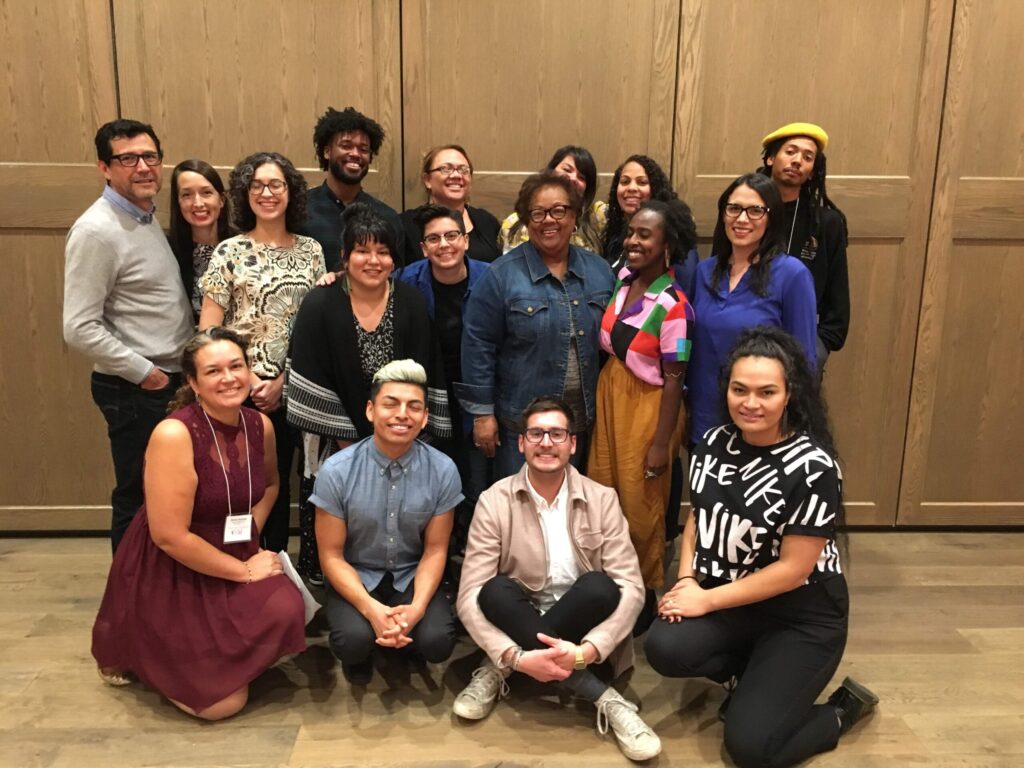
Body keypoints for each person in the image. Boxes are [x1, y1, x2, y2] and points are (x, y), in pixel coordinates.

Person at [645, 326, 878, 768]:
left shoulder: (813, 467)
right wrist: (687, 580)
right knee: (665, 646)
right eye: (740, 390)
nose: (750, 403)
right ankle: (754, 676)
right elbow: (698, 517)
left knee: (751, 749)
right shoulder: (714, 443)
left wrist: (705, 600)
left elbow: (793, 570)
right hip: (735, 600)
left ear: (789, 395)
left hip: (802, 615)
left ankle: (839, 712)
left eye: (766, 392)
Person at [92, 327, 306, 720]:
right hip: (174, 565)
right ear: (192, 382)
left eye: (236, 366)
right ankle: (149, 653)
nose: (229, 378)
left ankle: (215, 658)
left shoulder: (260, 425)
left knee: (287, 608)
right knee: (221, 706)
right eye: (213, 371)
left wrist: (250, 535)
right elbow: (169, 537)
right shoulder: (174, 434)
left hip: (232, 546)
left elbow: (272, 484)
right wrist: (243, 571)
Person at [454, 398, 659, 762]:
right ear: (521, 443)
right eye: (536, 433)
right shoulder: (494, 500)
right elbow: (469, 593)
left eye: (557, 434)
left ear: (572, 443)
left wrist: (585, 652)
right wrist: (517, 657)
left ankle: (498, 668)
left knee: (600, 587)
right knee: (494, 591)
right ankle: (605, 698)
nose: (546, 442)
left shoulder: (602, 499)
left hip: (583, 627)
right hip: (520, 617)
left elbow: (631, 587)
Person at [288, 203, 452, 584]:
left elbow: (424, 371)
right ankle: (335, 583)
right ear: (345, 256)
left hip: (399, 433)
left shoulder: (410, 302)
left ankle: (401, 579)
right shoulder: (320, 303)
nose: (373, 260)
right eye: (362, 250)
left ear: (394, 259)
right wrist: (353, 446)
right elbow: (309, 370)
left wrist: (394, 438)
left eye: (383, 251)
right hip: (335, 440)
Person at [63, 118, 193, 551]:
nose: (143, 167)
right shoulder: (97, 231)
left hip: (165, 381)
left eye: (150, 156)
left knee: (168, 492)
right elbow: (78, 327)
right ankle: (129, 588)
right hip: (136, 388)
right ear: (104, 167)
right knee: (137, 496)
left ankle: (158, 583)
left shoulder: (144, 215)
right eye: (128, 158)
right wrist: (147, 374)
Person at [199, 151, 325, 554]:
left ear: (291, 192)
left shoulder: (311, 251)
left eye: (276, 185)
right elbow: (209, 329)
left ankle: (285, 566)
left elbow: (317, 324)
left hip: (297, 385)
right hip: (240, 388)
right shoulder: (229, 251)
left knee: (292, 478)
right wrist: (253, 381)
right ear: (244, 193)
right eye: (257, 185)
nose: (267, 193)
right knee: (244, 482)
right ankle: (241, 563)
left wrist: (283, 381)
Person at [310, 360, 462, 684]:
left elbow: (436, 550)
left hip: (410, 575)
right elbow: (331, 556)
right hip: (356, 575)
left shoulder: (443, 470)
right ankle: (370, 642)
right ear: (370, 410)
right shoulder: (336, 471)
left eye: (414, 407)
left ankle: (404, 637)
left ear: (425, 417)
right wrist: (370, 609)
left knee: (437, 642)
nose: (402, 414)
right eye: (390, 404)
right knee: (352, 643)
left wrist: (418, 607)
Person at [459, 171, 615, 479]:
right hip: (521, 425)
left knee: (573, 502)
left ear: (575, 215)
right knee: (521, 502)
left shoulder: (600, 272)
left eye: (559, 210)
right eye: (538, 213)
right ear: (526, 219)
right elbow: (478, 345)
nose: (549, 220)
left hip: (582, 424)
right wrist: (482, 414)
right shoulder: (501, 275)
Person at [587, 199, 696, 611]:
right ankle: (609, 588)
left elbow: (675, 379)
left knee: (640, 506)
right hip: (611, 394)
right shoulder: (622, 281)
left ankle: (644, 596)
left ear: (668, 245)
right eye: (631, 232)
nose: (632, 241)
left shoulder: (675, 306)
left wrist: (660, 444)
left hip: (650, 407)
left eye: (644, 235)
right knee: (603, 494)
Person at [686, 172, 818, 443]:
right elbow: (685, 339)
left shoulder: (792, 275)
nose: (742, 219)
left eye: (755, 210)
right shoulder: (704, 272)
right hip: (704, 418)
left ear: (772, 217)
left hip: (761, 425)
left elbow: (804, 361)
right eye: (734, 208)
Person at [397, 204, 492, 558]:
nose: (444, 245)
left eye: (452, 236)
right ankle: (432, 555)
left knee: (475, 480)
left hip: (478, 392)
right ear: (424, 248)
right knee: (429, 478)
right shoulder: (406, 280)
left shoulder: (490, 278)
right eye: (434, 239)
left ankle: (470, 555)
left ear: (465, 240)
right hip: (429, 393)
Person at [759, 122, 851, 372]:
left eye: (808, 157)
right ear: (770, 158)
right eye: (790, 152)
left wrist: (818, 349)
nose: (798, 160)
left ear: (812, 172)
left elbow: (838, 300)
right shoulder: (744, 214)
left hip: (803, 345)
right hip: (746, 336)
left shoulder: (826, 223)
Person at [302, 106, 407, 270]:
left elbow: (396, 276)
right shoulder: (300, 209)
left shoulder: (387, 217)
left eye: (363, 149)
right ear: (327, 152)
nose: (355, 154)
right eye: (346, 146)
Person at [602, 155, 696, 289]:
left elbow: (683, 292)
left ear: (655, 188)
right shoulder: (616, 233)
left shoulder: (674, 237)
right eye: (625, 181)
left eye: (641, 182)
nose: (631, 188)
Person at [401, 145, 501, 263]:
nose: (456, 175)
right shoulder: (405, 225)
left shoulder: (487, 221)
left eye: (463, 170)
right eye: (446, 169)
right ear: (427, 180)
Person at [499, 145, 607, 253]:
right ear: (550, 172)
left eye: (581, 177)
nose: (573, 178)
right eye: (567, 170)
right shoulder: (513, 222)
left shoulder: (597, 217)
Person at [167, 159, 230, 321]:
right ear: (178, 202)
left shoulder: (243, 246)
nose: (198, 203)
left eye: (206, 193)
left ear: (221, 200)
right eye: (187, 195)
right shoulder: (166, 250)